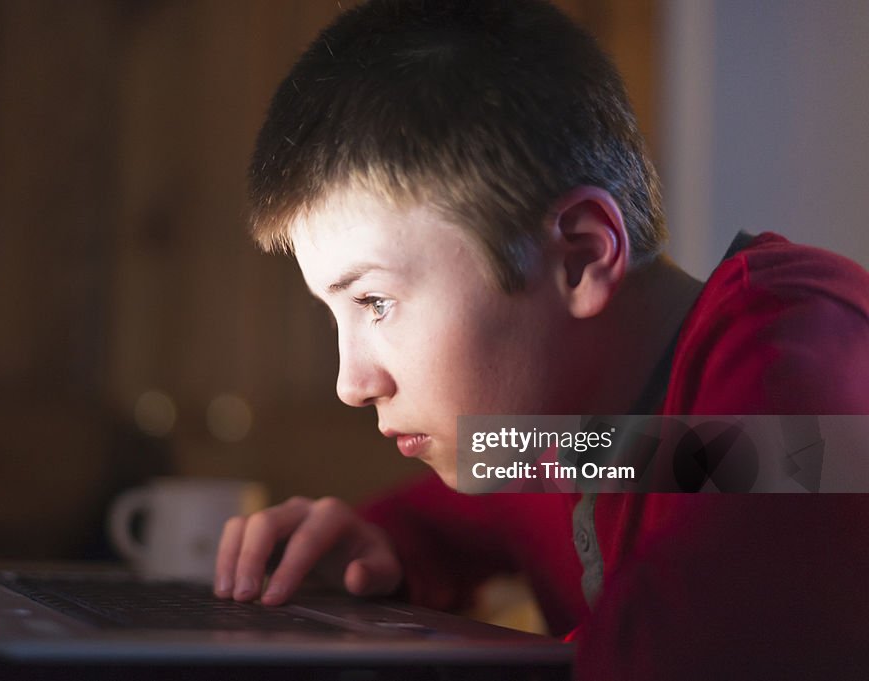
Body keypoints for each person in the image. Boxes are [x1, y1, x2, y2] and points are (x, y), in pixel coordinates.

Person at [214, 0, 869, 677]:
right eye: (336, 311)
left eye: (376, 301)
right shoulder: (594, 441)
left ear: (579, 256)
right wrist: (382, 545)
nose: (351, 384)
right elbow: (471, 512)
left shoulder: (797, 366)